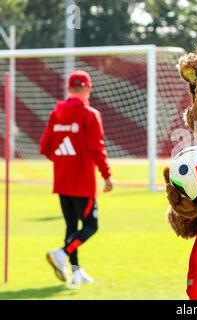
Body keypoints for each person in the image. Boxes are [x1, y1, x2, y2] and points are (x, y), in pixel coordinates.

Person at [40, 70, 113, 285]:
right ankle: (62, 253)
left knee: (71, 227)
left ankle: (75, 271)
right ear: (88, 89)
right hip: (82, 183)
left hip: (62, 181)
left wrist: (64, 162)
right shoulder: (90, 114)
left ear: (69, 89)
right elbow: (96, 148)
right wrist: (107, 176)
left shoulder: (56, 114)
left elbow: (45, 147)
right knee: (91, 226)